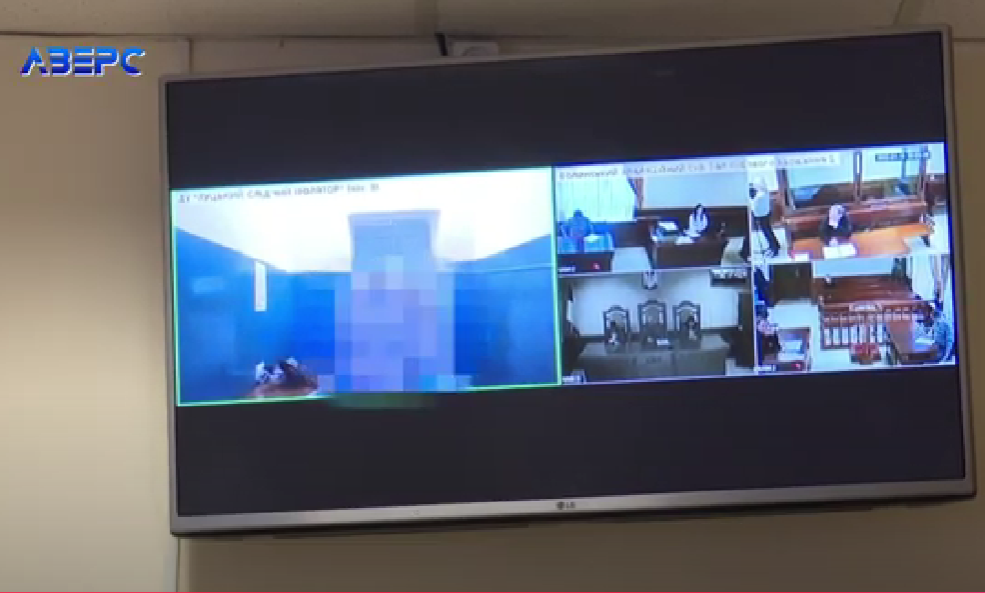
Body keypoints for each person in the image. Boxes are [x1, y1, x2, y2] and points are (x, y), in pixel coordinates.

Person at [740, 183, 781, 260]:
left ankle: (774, 248)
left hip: (761, 214)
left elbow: (754, 205)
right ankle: (775, 246)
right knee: (767, 230)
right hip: (763, 213)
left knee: (766, 231)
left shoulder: (760, 194)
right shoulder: (763, 192)